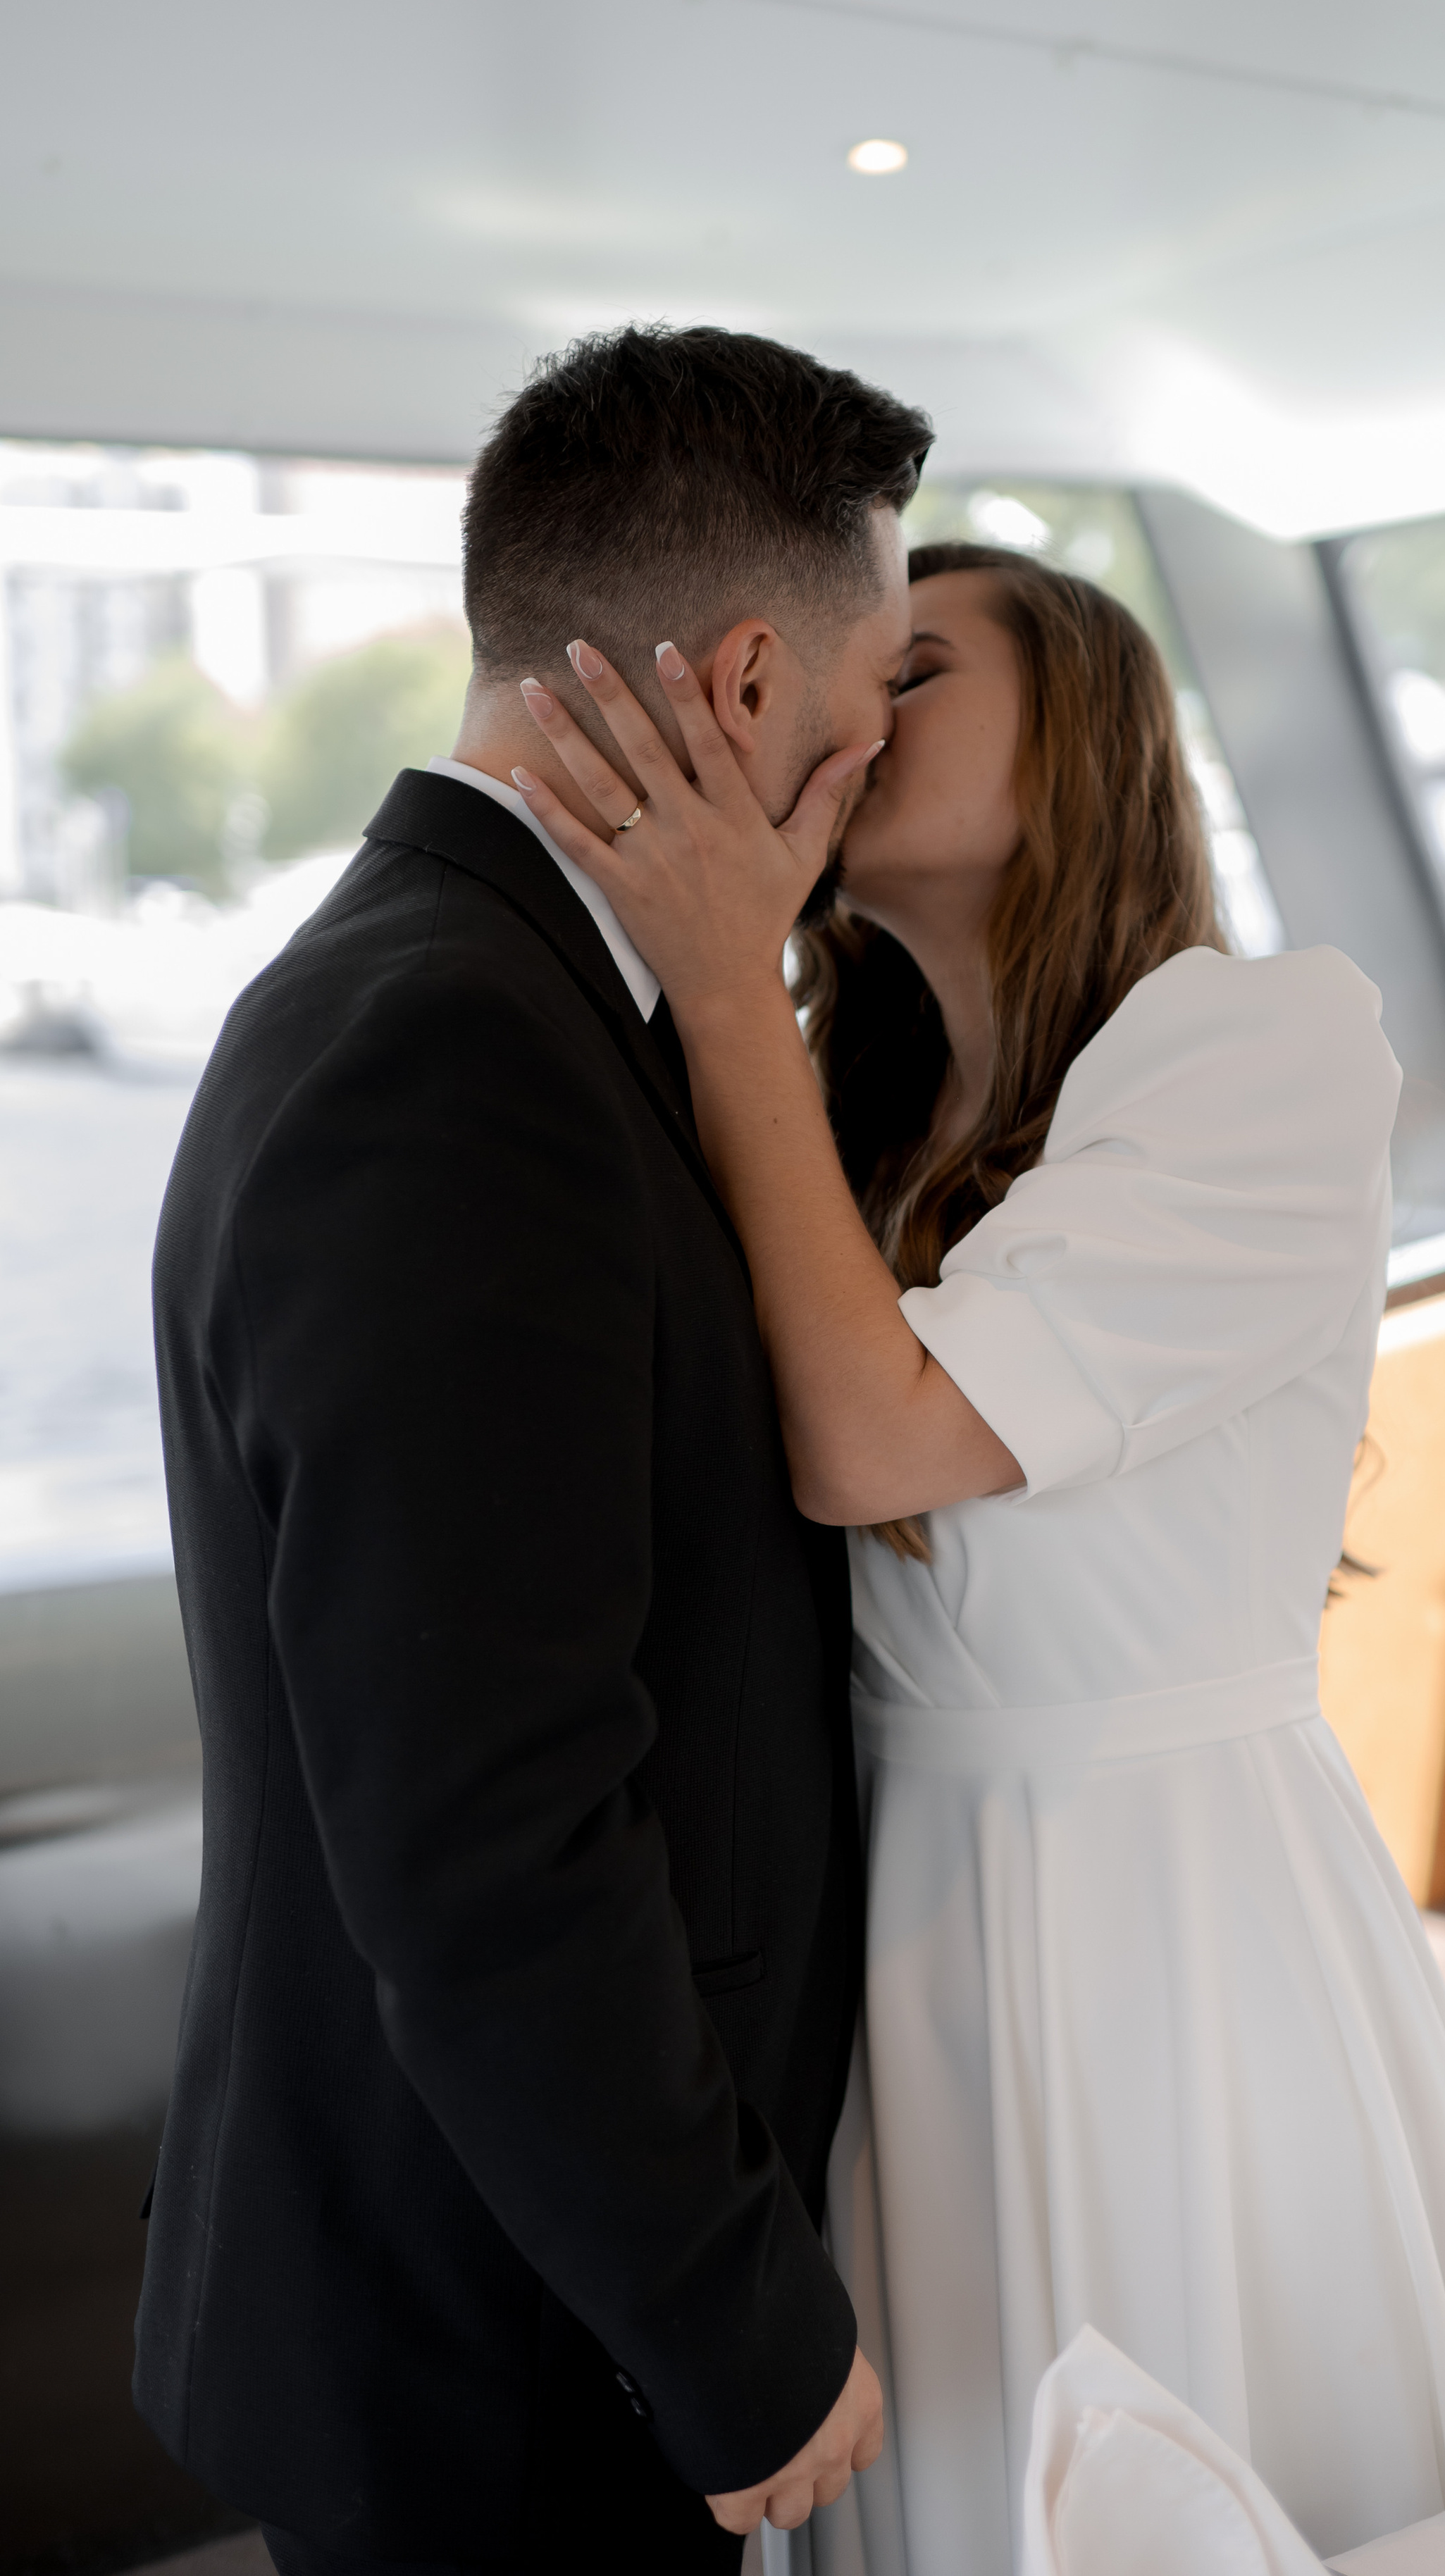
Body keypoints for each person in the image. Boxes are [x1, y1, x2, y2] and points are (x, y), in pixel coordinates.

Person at [507, 539, 1445, 2572]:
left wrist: (722, 974)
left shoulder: (1262, 1047)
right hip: (900, 1932)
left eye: (912, 670)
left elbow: (871, 1437)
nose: (847, 712)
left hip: (1173, 1921)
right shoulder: (860, 1119)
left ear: (1086, 733)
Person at [135, 325, 930, 2574]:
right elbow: (490, 1829)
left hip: (502, 2256)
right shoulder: (456, 1057)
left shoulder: (485, 994)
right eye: (873, 707)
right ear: (754, 683)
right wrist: (732, 2319)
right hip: (511, 2312)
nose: (872, 768)